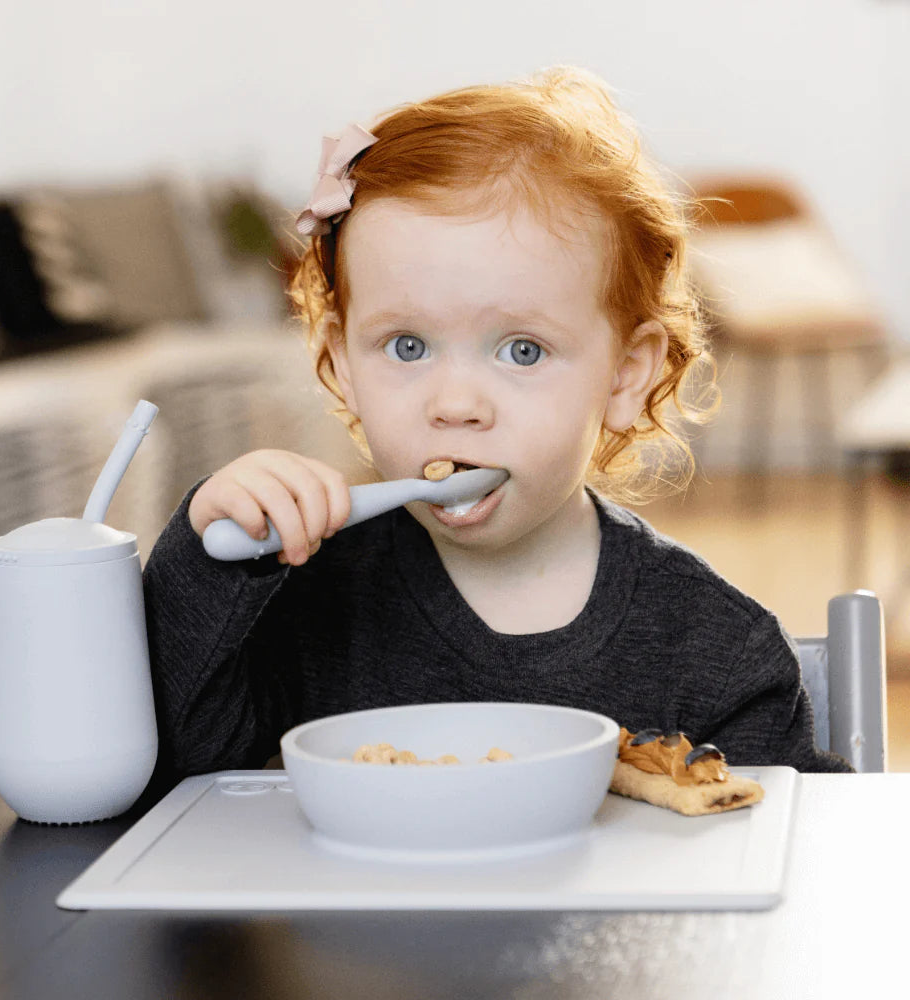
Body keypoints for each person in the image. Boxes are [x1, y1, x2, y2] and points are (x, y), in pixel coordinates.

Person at [143, 66, 852, 792]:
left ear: (624, 375)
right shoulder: (300, 598)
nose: (455, 405)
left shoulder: (716, 649)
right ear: (342, 363)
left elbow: (795, 835)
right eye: (407, 347)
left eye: (522, 351)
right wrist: (206, 561)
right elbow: (175, 771)